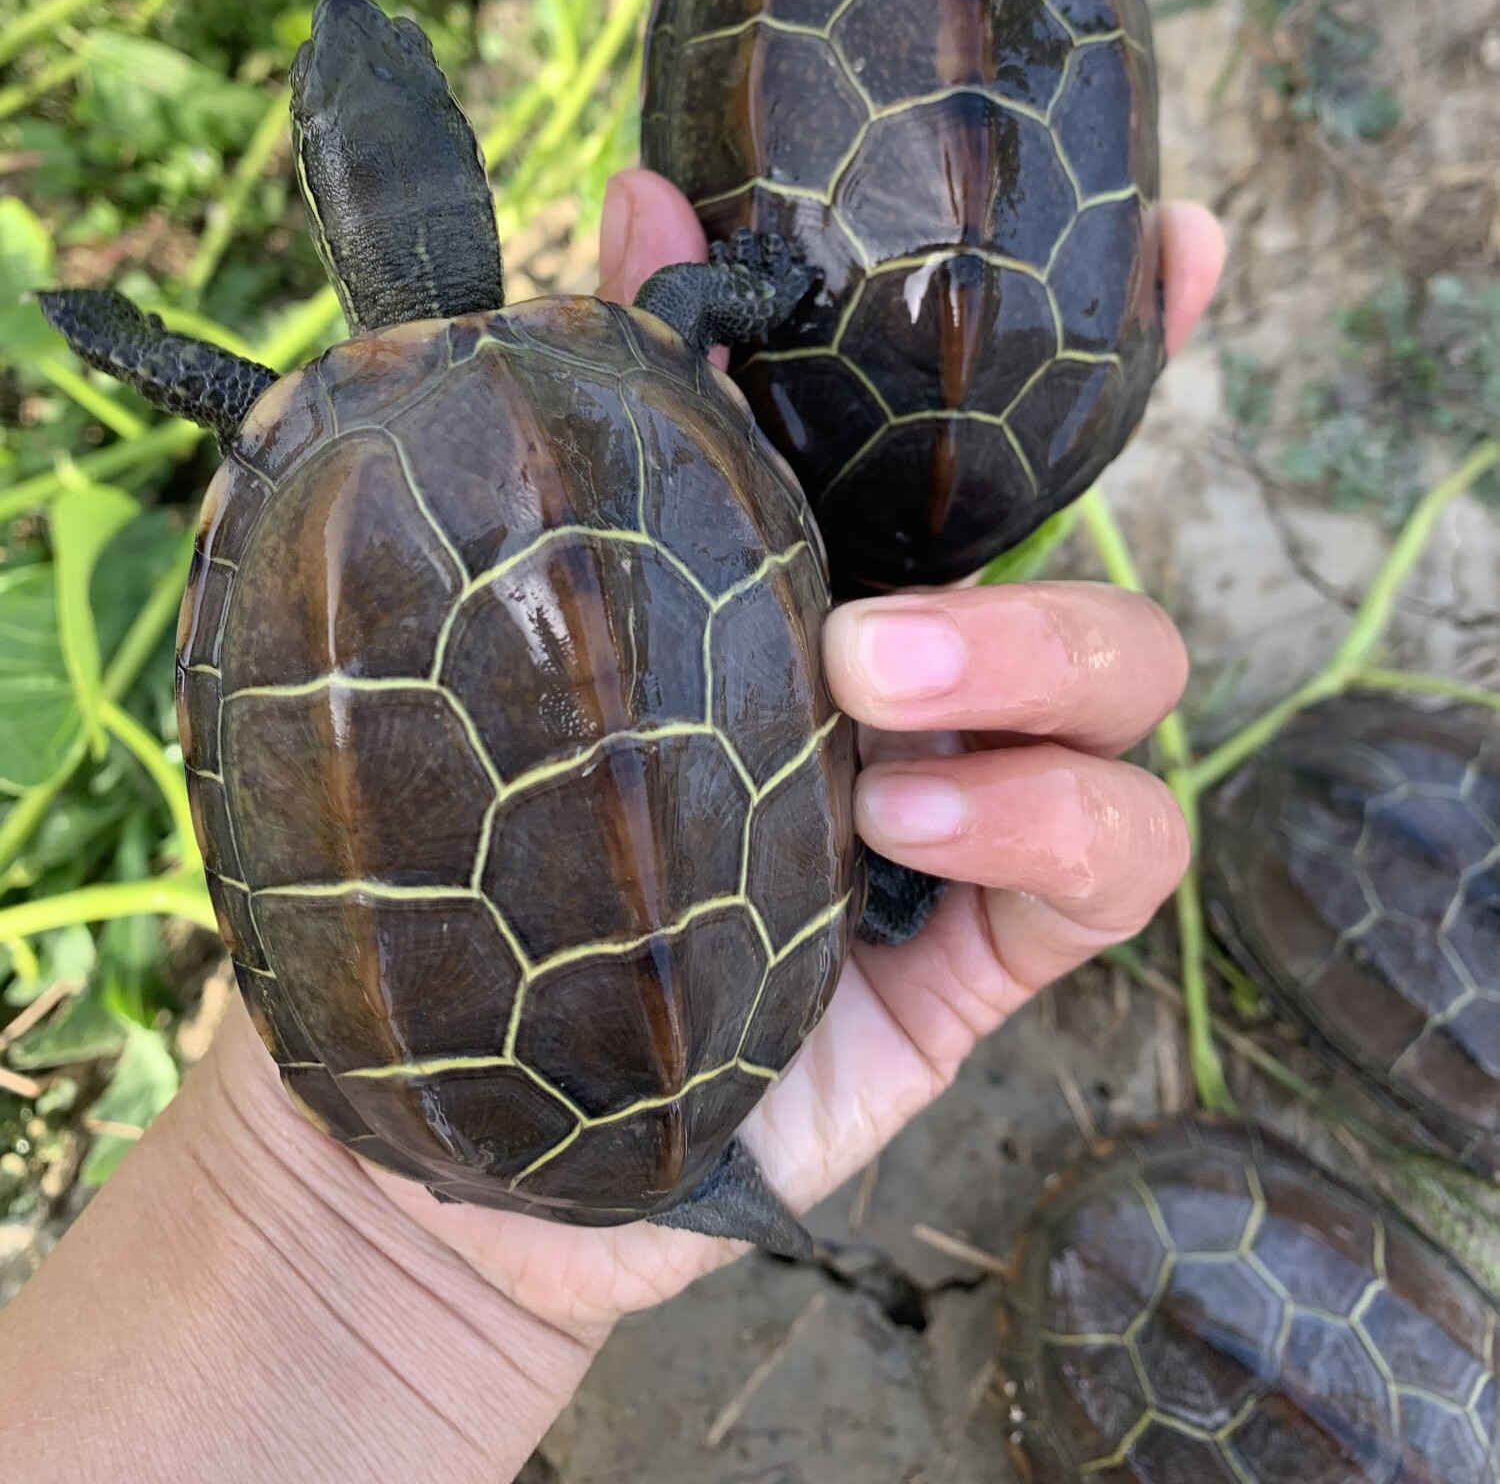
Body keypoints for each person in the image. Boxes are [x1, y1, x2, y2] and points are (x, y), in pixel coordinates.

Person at [0, 171, 1225, 1484]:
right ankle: (861, 929)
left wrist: (109, 337)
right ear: (462, 185)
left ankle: (819, 987)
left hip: (571, 1086)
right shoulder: (625, 353)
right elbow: (698, 302)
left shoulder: (304, 458)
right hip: (761, 997)